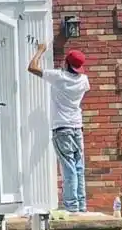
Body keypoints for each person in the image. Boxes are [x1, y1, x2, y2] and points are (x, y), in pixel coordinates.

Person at [27, 41, 90, 213]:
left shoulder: (59, 77)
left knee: (68, 168)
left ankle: (71, 208)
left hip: (62, 128)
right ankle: (81, 205)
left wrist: (40, 50)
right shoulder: (84, 80)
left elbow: (32, 67)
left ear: (67, 63)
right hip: (77, 127)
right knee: (78, 167)